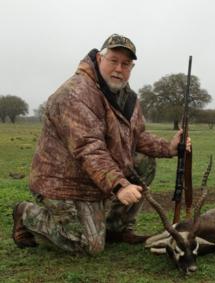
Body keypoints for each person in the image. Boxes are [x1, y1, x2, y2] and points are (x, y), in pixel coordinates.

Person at [12, 34, 191, 255]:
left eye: (126, 64)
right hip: (63, 183)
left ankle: (117, 227)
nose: (119, 68)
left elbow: (136, 137)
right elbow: (88, 147)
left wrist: (169, 147)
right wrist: (119, 185)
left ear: (132, 67)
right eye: (113, 60)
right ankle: (26, 214)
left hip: (94, 179)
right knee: (88, 245)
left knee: (143, 162)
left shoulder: (127, 97)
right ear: (99, 58)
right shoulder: (74, 93)